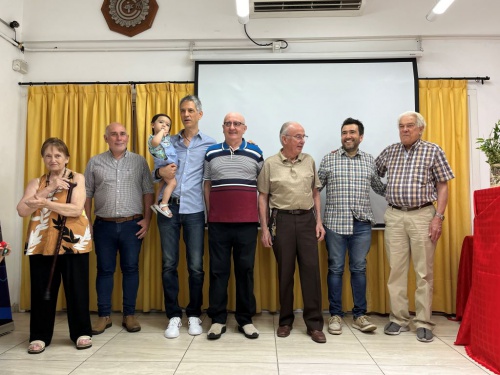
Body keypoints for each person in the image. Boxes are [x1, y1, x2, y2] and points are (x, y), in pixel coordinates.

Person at [375, 111, 454, 343]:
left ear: (421, 128)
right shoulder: (390, 151)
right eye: (401, 126)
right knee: (396, 271)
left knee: (423, 272)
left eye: (410, 126)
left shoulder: (433, 150)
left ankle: (423, 322)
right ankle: (398, 319)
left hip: (423, 215)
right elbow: (374, 171)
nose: (405, 130)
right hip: (395, 216)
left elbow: (443, 186)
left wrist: (438, 216)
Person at [17, 137, 93, 354]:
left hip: (73, 241)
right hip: (42, 243)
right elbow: (22, 210)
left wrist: (45, 203)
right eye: (48, 155)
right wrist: (49, 189)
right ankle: (39, 336)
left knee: (76, 289)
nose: (53, 159)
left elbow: (76, 210)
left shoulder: (77, 178)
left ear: (66, 158)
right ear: (43, 158)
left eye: (58, 155)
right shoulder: (36, 182)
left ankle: (81, 332)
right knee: (42, 290)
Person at [257, 121, 327, 344]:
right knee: (285, 273)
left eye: (304, 136)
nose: (302, 141)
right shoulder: (270, 163)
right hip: (282, 221)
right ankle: (285, 321)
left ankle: (314, 325)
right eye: (297, 136)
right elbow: (263, 197)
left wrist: (319, 222)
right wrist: (265, 228)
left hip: (307, 220)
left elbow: (315, 193)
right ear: (284, 139)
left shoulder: (309, 161)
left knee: (311, 273)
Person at [153, 95, 216, 339]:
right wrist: (159, 171)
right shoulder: (167, 141)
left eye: (191, 110)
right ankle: (173, 316)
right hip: (168, 209)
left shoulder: (210, 144)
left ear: (200, 114)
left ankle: (193, 314)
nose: (186, 114)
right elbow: (156, 172)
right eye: (182, 111)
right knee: (169, 264)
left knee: (196, 266)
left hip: (195, 211)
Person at [318, 117, 386, 336]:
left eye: (352, 132)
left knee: (359, 269)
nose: (348, 136)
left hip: (362, 225)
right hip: (335, 224)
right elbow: (314, 190)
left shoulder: (369, 161)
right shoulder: (329, 160)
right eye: (344, 132)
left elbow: (380, 188)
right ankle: (335, 315)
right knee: (335, 269)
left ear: (361, 136)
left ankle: (360, 316)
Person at [84, 122, 154, 335]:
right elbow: (87, 194)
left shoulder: (139, 162)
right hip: (103, 225)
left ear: (128, 137)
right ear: (106, 138)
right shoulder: (94, 162)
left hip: (132, 225)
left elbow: (148, 191)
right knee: (104, 270)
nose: (118, 138)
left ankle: (129, 315)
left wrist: (148, 220)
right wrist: (87, 222)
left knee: (131, 269)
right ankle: (104, 316)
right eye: (113, 134)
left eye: (122, 134)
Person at [203, 112, 264, 340]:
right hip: (218, 223)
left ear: (244, 128)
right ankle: (218, 320)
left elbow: (262, 190)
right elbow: (207, 185)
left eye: (236, 124)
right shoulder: (211, 153)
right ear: (223, 127)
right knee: (218, 272)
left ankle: (245, 320)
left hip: (247, 223)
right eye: (228, 123)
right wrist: (211, 215)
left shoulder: (256, 153)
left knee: (245, 272)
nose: (232, 127)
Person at [148, 113, 178, 218]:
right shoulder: (153, 138)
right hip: (165, 163)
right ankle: (163, 204)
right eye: (161, 122)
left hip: (166, 162)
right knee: (172, 183)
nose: (164, 125)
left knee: (161, 183)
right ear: (152, 125)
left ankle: (156, 202)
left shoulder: (166, 138)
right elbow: (155, 142)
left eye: (167, 125)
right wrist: (161, 132)